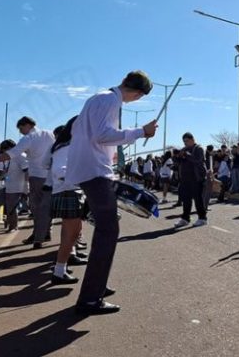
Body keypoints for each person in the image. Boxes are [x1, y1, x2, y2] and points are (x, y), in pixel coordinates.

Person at [66, 70, 157, 315]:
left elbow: (88, 135)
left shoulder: (101, 98)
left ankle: (96, 286)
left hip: (91, 168)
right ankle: (90, 299)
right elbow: (102, 135)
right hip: (94, 172)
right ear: (138, 93)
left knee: (106, 230)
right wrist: (141, 131)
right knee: (108, 231)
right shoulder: (109, 100)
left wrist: (111, 152)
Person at [1, 116, 56, 248]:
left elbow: (12, 153)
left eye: (21, 128)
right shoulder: (50, 133)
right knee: (48, 206)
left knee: (37, 208)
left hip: (37, 175)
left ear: (27, 125)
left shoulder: (28, 138)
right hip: (51, 175)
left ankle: (38, 236)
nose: (21, 132)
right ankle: (46, 232)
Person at [49, 117, 89, 285]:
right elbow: (60, 171)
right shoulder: (65, 147)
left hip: (71, 191)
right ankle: (59, 271)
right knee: (69, 234)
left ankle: (60, 269)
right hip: (68, 191)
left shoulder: (68, 146)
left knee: (72, 233)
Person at [0, 140, 29, 232]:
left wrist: (26, 188)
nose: (4, 152)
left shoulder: (21, 156)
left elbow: (27, 172)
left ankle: (13, 226)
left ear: (10, 148)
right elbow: (4, 171)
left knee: (11, 208)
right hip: (6, 186)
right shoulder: (7, 158)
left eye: (5, 150)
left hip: (17, 187)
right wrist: (0, 178)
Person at [173, 133, 208, 228]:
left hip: (196, 178)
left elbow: (198, 161)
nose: (185, 143)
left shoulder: (199, 148)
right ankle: (185, 218)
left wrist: (186, 155)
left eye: (187, 141)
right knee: (186, 199)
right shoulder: (184, 149)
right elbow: (178, 163)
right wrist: (176, 156)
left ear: (192, 139)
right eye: (184, 141)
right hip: (185, 178)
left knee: (198, 199)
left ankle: (202, 218)